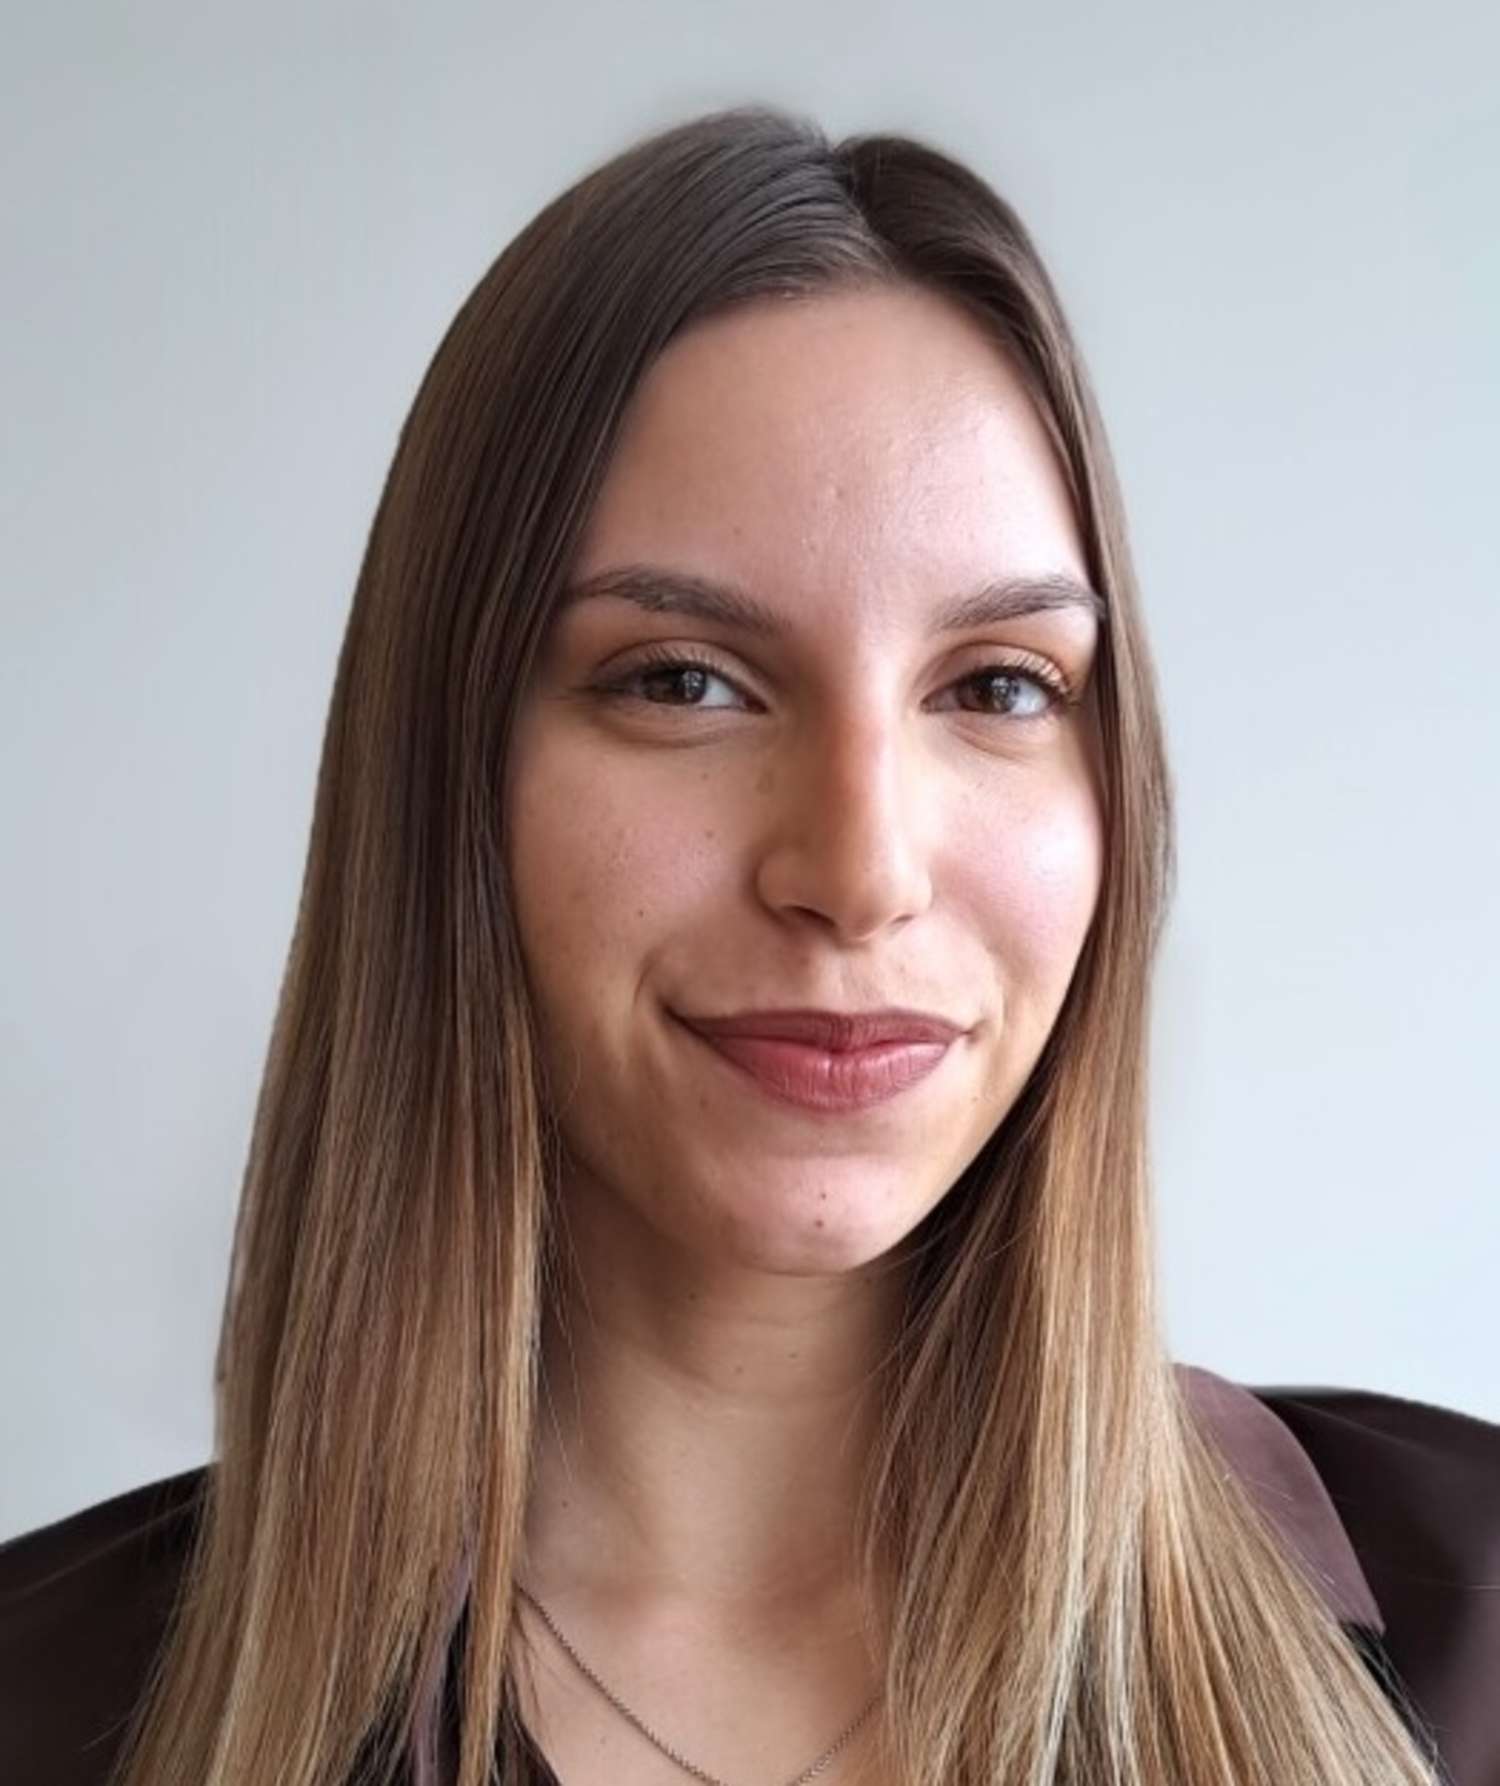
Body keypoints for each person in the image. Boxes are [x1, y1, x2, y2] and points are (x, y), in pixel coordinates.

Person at [1, 103, 1496, 1786]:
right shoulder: (45, 1707)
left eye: (998, 685)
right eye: (684, 680)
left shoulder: (1475, 1619)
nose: (859, 872)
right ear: (447, 776)